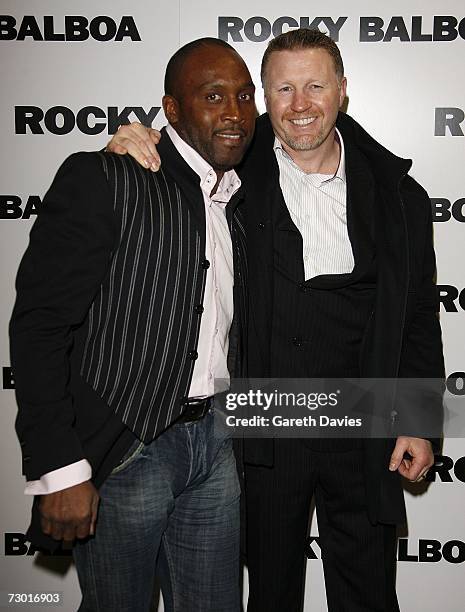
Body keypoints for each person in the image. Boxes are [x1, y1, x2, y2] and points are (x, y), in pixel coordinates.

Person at [107, 29, 444, 612]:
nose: (300, 104)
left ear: (343, 90)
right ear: (265, 97)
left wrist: (418, 422)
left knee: (368, 593)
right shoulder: (233, 169)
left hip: (363, 420)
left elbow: (417, 315)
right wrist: (139, 138)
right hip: (263, 420)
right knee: (268, 592)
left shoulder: (398, 194)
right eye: (283, 89)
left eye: (315, 85)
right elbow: (179, 146)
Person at [10, 37, 256, 612]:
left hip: (216, 449)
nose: (234, 112)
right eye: (213, 96)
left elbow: (316, 134)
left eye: (244, 97)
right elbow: (41, 325)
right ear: (170, 110)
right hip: (127, 450)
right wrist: (59, 468)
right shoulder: (107, 177)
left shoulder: (240, 194)